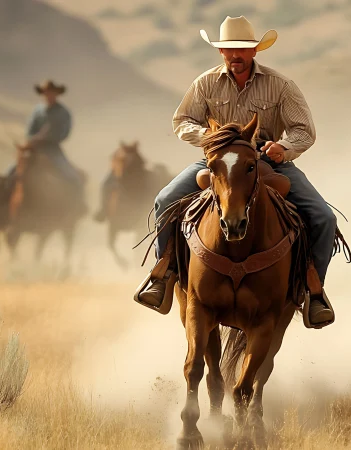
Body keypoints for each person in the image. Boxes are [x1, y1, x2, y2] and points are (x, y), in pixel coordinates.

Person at [134, 16, 338, 326]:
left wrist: (283, 147)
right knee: (165, 200)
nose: (235, 56)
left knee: (324, 217)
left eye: (242, 50)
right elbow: (182, 120)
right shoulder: (205, 83)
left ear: (255, 51)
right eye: (229, 50)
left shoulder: (280, 85)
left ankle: (315, 292)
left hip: (268, 161)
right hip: (218, 162)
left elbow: (303, 130)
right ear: (220, 52)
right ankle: (165, 274)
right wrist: (210, 140)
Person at [7, 79, 82, 190]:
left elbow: (64, 133)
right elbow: (30, 130)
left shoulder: (63, 112)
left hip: (53, 150)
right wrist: (34, 139)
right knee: (11, 172)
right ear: (43, 94)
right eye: (46, 93)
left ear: (57, 94)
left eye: (51, 93)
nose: (48, 95)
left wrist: (48, 138)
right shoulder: (37, 110)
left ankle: (78, 202)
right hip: (34, 148)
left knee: (72, 177)